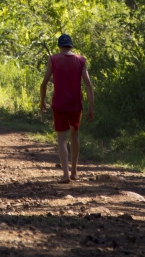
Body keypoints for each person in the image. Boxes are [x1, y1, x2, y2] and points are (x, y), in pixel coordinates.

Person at [40, 33, 94, 183]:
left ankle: (65, 174)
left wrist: (42, 101)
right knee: (74, 135)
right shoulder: (80, 60)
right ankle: (75, 172)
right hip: (75, 104)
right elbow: (88, 84)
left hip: (59, 103)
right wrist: (91, 107)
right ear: (71, 45)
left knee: (61, 139)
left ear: (59, 46)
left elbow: (44, 83)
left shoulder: (53, 60)